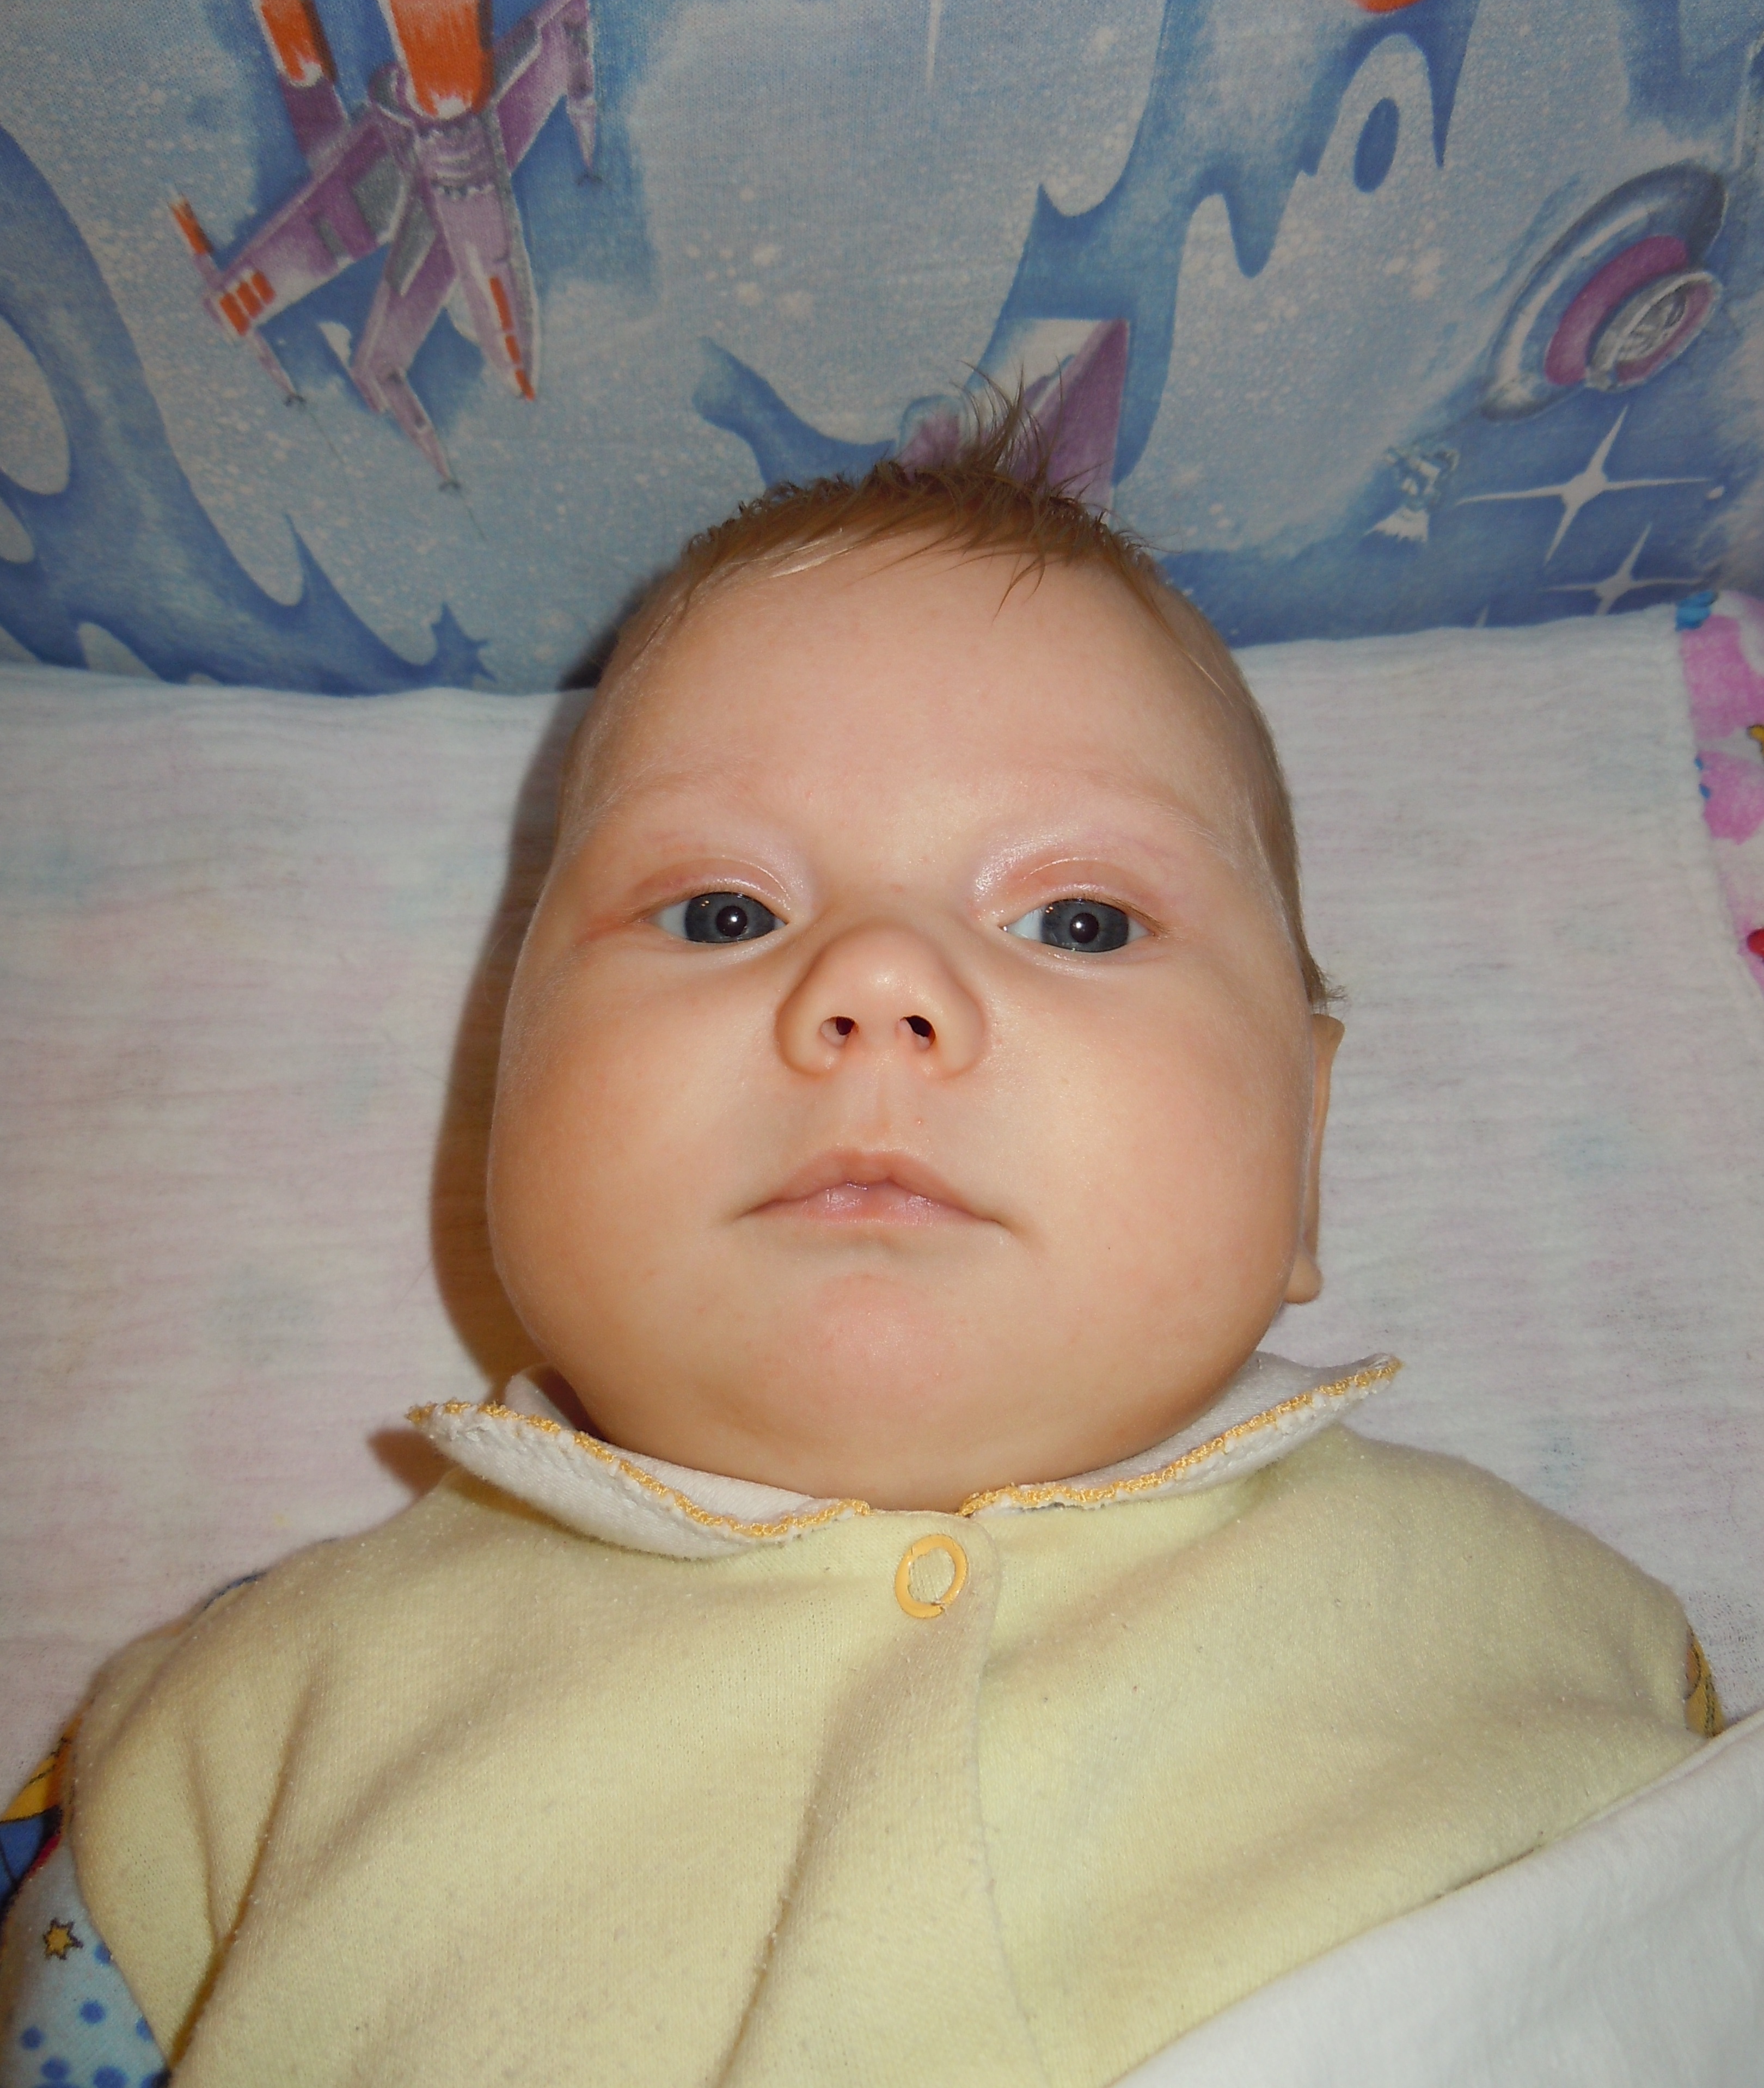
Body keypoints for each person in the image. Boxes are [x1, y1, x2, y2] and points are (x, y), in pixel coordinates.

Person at [0, 407, 1718, 2088]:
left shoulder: (1567, 1644)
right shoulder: (247, 1732)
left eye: (1080, 919)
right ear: (500, 1087)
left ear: (1310, 1161)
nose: (878, 983)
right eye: (722, 912)